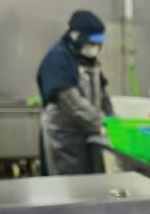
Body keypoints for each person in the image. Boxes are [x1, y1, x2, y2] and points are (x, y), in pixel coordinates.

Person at [36, 9, 112, 175]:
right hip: (63, 137)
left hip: (88, 132)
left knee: (91, 184)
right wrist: (102, 123)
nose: (96, 48)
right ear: (76, 36)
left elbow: (102, 93)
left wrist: (113, 121)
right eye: (92, 42)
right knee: (67, 186)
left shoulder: (89, 59)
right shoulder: (58, 58)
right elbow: (70, 101)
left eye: (98, 44)